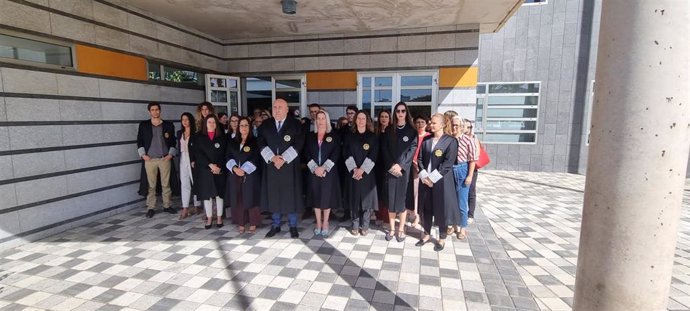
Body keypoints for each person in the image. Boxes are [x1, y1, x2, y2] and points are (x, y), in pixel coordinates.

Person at [258, 98, 305, 239]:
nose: (277, 110)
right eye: (274, 107)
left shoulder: (296, 124)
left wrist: (283, 158)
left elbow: (299, 143)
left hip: (289, 167)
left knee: (290, 196)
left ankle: (293, 226)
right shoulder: (265, 125)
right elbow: (260, 141)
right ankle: (275, 225)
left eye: (280, 107)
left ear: (286, 109)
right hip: (272, 166)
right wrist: (273, 158)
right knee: (274, 196)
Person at [416, 113, 459, 251]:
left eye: (434, 123)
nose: (431, 125)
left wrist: (432, 178)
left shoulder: (450, 141)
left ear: (442, 124)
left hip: (441, 182)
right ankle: (427, 234)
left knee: (441, 210)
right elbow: (420, 159)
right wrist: (423, 175)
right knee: (426, 209)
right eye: (430, 122)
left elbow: (448, 163)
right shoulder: (427, 139)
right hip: (425, 181)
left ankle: (441, 238)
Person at [381, 102, 417, 242]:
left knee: (402, 201)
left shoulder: (412, 131)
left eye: (403, 111)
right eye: (398, 111)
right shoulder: (389, 130)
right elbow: (384, 149)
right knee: (391, 200)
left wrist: (401, 165)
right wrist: (392, 165)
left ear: (406, 113)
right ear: (395, 113)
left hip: (404, 171)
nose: (400, 114)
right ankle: (391, 229)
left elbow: (412, 150)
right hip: (391, 170)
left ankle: (401, 229)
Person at [137, 102, 177, 218]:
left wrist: (170, 155)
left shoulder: (168, 125)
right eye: (153, 110)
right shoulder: (144, 125)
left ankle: (167, 205)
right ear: (149, 111)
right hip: (150, 160)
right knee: (151, 185)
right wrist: (143, 155)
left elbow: (173, 142)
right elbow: (139, 141)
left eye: (157, 109)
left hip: (164, 158)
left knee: (166, 184)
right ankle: (151, 207)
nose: (155, 112)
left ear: (160, 111)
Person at [305, 110, 341, 238]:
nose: (320, 120)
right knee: (316, 197)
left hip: (328, 172)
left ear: (327, 120)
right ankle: (318, 223)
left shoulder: (333, 135)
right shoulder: (310, 136)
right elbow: (306, 153)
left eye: (322, 118)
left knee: (326, 197)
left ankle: (325, 222)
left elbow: (336, 153)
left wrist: (324, 168)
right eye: (318, 118)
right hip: (314, 172)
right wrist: (315, 168)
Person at [343, 110, 379, 236]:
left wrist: (362, 170)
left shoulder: (372, 136)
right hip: (353, 173)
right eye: (359, 118)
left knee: (367, 201)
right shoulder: (349, 135)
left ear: (367, 120)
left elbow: (374, 154)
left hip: (367, 174)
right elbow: (346, 153)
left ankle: (365, 225)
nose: (361, 120)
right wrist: (354, 169)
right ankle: (355, 224)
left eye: (363, 118)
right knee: (354, 199)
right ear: (355, 120)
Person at [225, 117, 262, 234]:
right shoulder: (232, 141)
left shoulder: (255, 141)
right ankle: (241, 222)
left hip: (250, 175)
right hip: (235, 174)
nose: (243, 127)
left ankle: (253, 222)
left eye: (246, 125)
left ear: (250, 127)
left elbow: (256, 157)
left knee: (251, 197)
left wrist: (244, 170)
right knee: (238, 198)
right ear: (238, 127)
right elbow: (228, 156)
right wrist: (235, 168)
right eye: (241, 125)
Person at [193, 114, 228, 229]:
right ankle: (208, 218)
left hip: (219, 170)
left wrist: (219, 167)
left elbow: (225, 154)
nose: (212, 124)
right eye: (209, 122)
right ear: (205, 124)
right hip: (205, 170)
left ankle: (219, 217)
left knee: (219, 195)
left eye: (213, 122)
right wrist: (210, 165)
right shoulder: (199, 137)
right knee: (207, 195)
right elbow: (198, 154)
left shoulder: (222, 137)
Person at [450, 115, 477, 240]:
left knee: (462, 201)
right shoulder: (448, 140)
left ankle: (463, 227)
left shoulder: (468, 140)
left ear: (461, 127)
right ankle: (454, 224)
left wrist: (470, 176)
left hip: (462, 169)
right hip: (450, 170)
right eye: (452, 124)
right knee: (452, 201)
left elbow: (472, 160)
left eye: (456, 125)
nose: (454, 127)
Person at [177, 112, 201, 219]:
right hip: (183, 158)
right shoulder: (179, 133)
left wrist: (195, 160)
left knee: (195, 181)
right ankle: (185, 207)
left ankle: (197, 205)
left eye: (186, 119)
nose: (185, 122)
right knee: (184, 183)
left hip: (192, 159)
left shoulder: (196, 133)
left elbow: (198, 149)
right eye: (183, 120)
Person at [337, 105, 359, 222]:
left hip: (359, 164)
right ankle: (346, 212)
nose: (350, 115)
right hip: (344, 163)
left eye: (352, 113)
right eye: (348, 113)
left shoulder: (360, 127)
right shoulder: (343, 129)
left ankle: (357, 213)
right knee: (346, 189)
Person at [410, 115, 430, 228]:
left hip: (426, 169)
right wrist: (414, 162)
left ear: (426, 124)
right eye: (418, 122)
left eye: (422, 122)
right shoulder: (413, 136)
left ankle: (425, 215)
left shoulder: (429, 137)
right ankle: (416, 215)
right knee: (415, 192)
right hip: (413, 167)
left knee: (426, 193)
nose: (420, 124)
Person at [374, 109, 391, 226]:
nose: (384, 119)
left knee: (388, 192)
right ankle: (378, 216)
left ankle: (386, 218)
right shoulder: (375, 132)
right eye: (382, 117)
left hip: (389, 165)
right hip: (376, 166)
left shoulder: (393, 132)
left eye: (386, 116)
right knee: (378, 191)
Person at [465, 119, 481, 224]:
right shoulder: (460, 138)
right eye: (467, 127)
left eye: (470, 127)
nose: (468, 129)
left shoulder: (474, 139)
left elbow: (477, 154)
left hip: (472, 167)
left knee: (471, 190)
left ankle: (470, 214)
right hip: (462, 167)